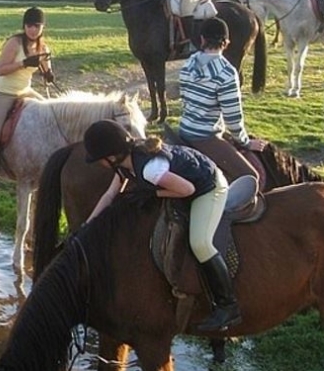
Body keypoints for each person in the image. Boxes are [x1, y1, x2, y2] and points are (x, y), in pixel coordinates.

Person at [84, 120, 241, 332]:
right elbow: (111, 195)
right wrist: (88, 225)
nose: (98, 164)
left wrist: (152, 193)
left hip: (208, 187)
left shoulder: (149, 169)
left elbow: (187, 189)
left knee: (200, 243)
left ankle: (228, 306)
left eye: (98, 160)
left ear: (111, 157)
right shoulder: (124, 165)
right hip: (184, 183)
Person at [178, 17, 265, 182]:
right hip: (205, 137)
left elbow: (185, 98)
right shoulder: (226, 73)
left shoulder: (188, 63)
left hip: (183, 130)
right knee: (251, 177)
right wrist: (245, 142)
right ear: (226, 42)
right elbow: (233, 119)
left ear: (202, 39)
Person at [0, 6, 54, 193]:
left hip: (25, 91)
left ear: (43, 27)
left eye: (37, 26)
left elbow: (46, 66)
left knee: (51, 114)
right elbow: (0, 69)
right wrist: (23, 63)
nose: (33, 29)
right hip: (3, 92)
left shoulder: (43, 47)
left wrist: (49, 74)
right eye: (30, 25)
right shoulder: (14, 43)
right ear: (24, 26)